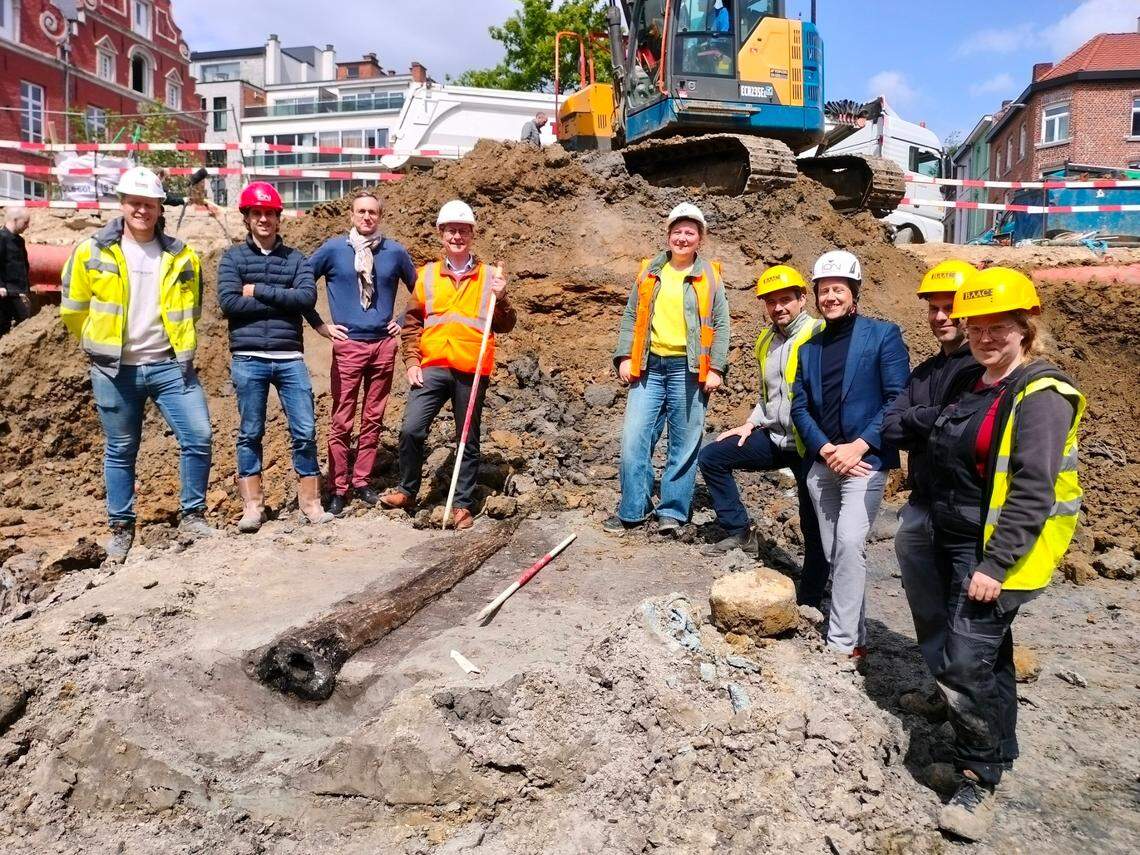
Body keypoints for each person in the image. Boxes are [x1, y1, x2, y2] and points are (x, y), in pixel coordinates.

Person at [926, 268, 1084, 841]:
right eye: (977, 328)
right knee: (990, 657)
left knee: (966, 664)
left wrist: (995, 565)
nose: (986, 338)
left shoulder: (1040, 394)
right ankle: (1000, 749)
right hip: (960, 539)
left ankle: (978, 777)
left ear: (1026, 327)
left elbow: (1033, 489)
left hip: (994, 554)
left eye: (1000, 327)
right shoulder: (981, 382)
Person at [60, 167, 215, 564]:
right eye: (135, 202)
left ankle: (193, 515)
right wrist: (97, 344)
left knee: (198, 435)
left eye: (149, 203)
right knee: (121, 449)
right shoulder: (91, 251)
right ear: (122, 203)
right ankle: (121, 528)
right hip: (115, 370)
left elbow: (192, 308)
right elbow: (73, 309)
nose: (141, 210)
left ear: (160, 206)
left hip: (169, 365)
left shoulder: (182, 255)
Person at [791, 250, 909, 657]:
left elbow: (897, 399)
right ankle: (856, 637)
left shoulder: (883, 335)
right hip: (824, 465)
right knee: (835, 552)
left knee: (849, 546)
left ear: (853, 292)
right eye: (824, 291)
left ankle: (841, 645)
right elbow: (799, 407)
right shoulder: (809, 349)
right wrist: (825, 448)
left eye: (838, 289)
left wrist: (857, 445)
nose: (831, 297)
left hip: (863, 464)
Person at [379, 200, 515, 530]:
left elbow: (505, 324)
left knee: (466, 437)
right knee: (411, 428)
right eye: (451, 230)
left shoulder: (488, 277)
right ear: (441, 234)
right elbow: (411, 323)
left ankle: (463, 505)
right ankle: (408, 491)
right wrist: (412, 361)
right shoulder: (426, 276)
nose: (457, 236)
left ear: (472, 234)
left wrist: (503, 296)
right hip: (432, 365)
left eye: (464, 230)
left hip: (471, 367)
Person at [883, 259, 980, 716]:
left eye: (951, 308)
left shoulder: (982, 370)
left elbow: (956, 428)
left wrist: (924, 419)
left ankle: (973, 713)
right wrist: (932, 418)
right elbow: (892, 427)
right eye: (934, 309)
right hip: (922, 505)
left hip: (965, 511)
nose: (941, 317)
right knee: (928, 608)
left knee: (969, 621)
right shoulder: (923, 372)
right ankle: (941, 690)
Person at [697, 265, 829, 600]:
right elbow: (768, 394)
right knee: (713, 456)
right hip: (774, 437)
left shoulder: (819, 333)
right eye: (771, 302)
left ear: (802, 299)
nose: (779, 307)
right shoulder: (766, 339)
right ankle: (740, 531)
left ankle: (811, 597)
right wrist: (751, 422)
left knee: (812, 523)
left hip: (808, 446)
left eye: (786, 299)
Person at [607, 203, 730, 537]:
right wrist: (624, 357)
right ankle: (633, 509)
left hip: (688, 370)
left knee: (684, 441)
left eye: (690, 232)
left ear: (699, 238)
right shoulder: (650, 271)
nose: (683, 237)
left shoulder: (710, 276)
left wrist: (717, 366)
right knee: (634, 438)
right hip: (649, 367)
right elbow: (631, 315)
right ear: (668, 234)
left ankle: (672, 512)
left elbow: (721, 324)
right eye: (678, 231)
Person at [217, 181, 331, 531]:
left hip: (289, 358)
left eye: (270, 213)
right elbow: (229, 303)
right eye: (257, 213)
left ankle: (311, 502)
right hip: (248, 358)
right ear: (248, 217)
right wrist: (283, 297)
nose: (264, 219)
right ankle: (253, 506)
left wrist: (259, 291)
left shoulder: (295, 258)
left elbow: (306, 299)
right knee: (250, 431)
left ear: (278, 218)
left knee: (305, 429)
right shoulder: (233, 258)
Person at [306, 188, 417, 516]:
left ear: (380, 216)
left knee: (372, 418)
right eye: (361, 212)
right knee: (341, 418)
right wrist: (320, 325)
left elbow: (421, 291)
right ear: (352, 215)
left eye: (373, 212)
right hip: (348, 345)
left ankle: (362, 481)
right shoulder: (333, 250)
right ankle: (338, 487)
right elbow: (301, 286)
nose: (367, 217)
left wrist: (402, 319)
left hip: (383, 346)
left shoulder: (394, 252)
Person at [0, 207, 31, 338]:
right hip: (5, 292)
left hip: (19, 291)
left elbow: (23, 265)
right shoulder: (1, 238)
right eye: (25, 222)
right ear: (15, 220)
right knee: (4, 326)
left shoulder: (19, 241)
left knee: (24, 323)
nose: (27, 226)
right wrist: (0, 285)